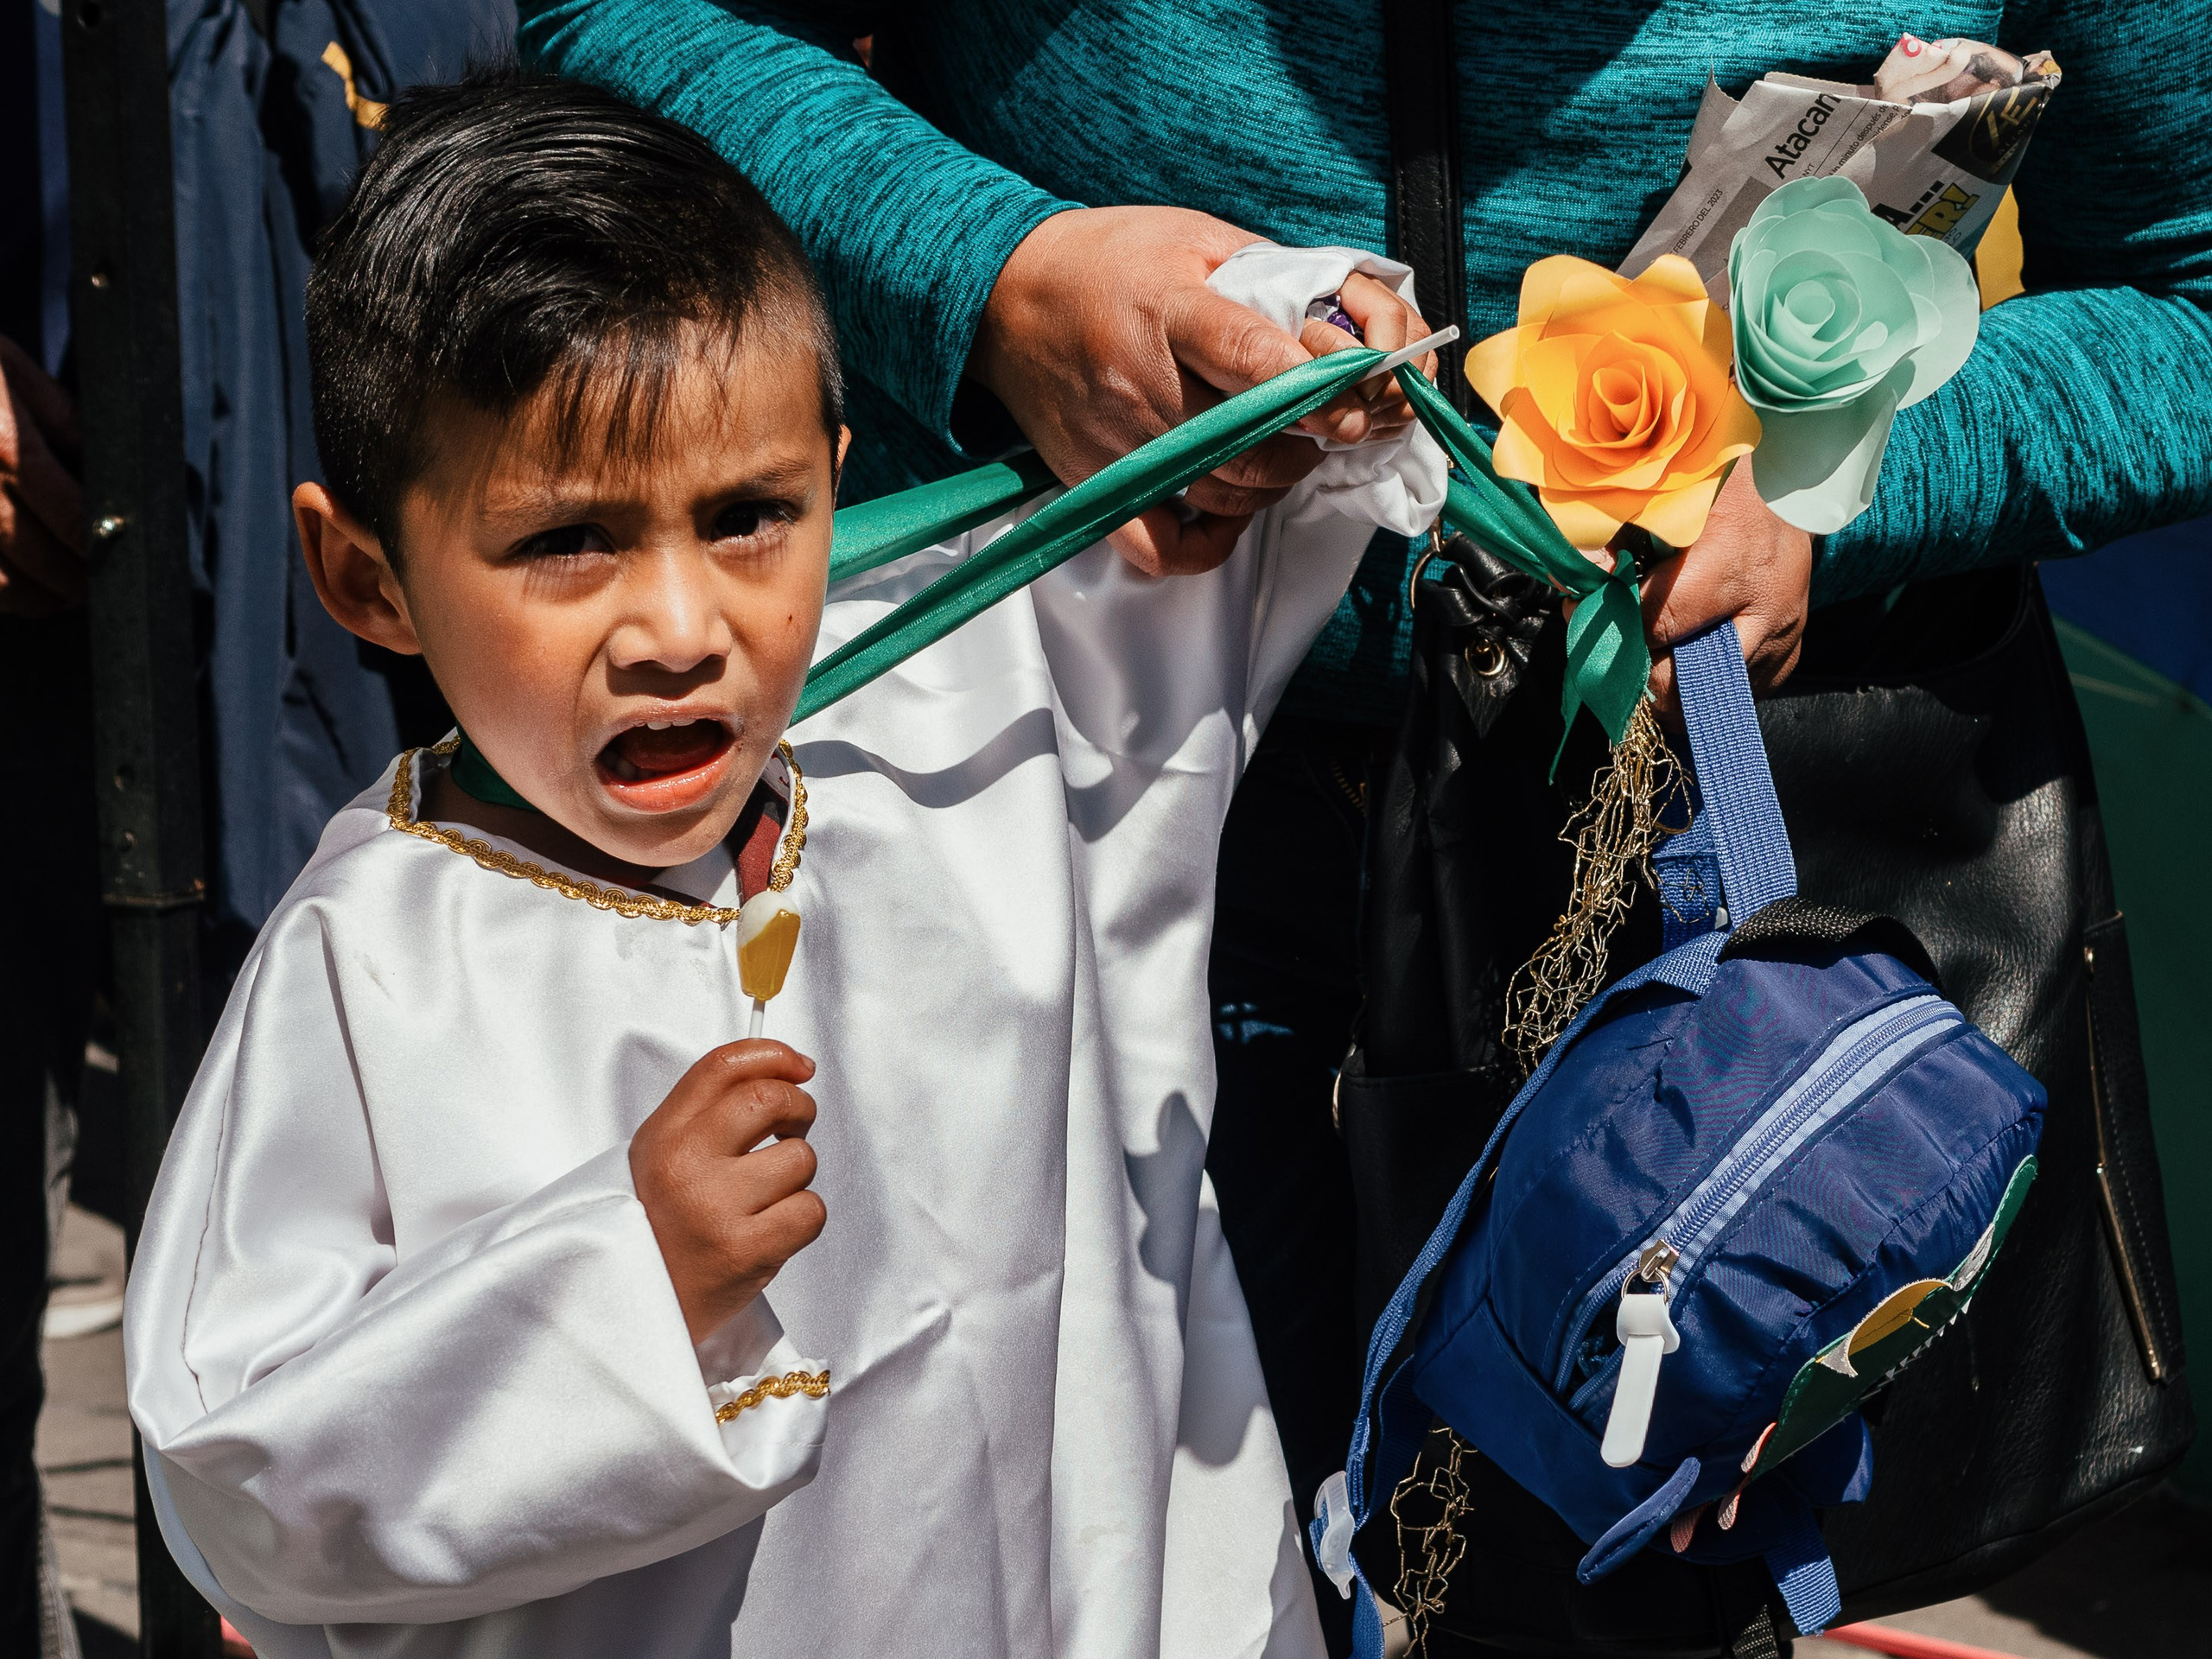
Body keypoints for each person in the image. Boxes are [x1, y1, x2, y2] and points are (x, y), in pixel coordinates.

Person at [513, 7, 2212, 1639]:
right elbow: (630, 22)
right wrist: (994, 283)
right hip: (1053, 794)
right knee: (1019, 1561)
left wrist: (1848, 480)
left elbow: (2188, 284)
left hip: (1685, 907)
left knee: (1591, 1589)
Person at [126, 72, 1447, 1656]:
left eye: (750, 516)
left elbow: (1204, 505)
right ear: (369, 576)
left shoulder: (961, 721)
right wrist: (624, 1284)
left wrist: (1295, 347)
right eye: (567, 543)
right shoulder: (372, 962)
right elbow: (234, 1480)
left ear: (834, 471)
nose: (682, 632)